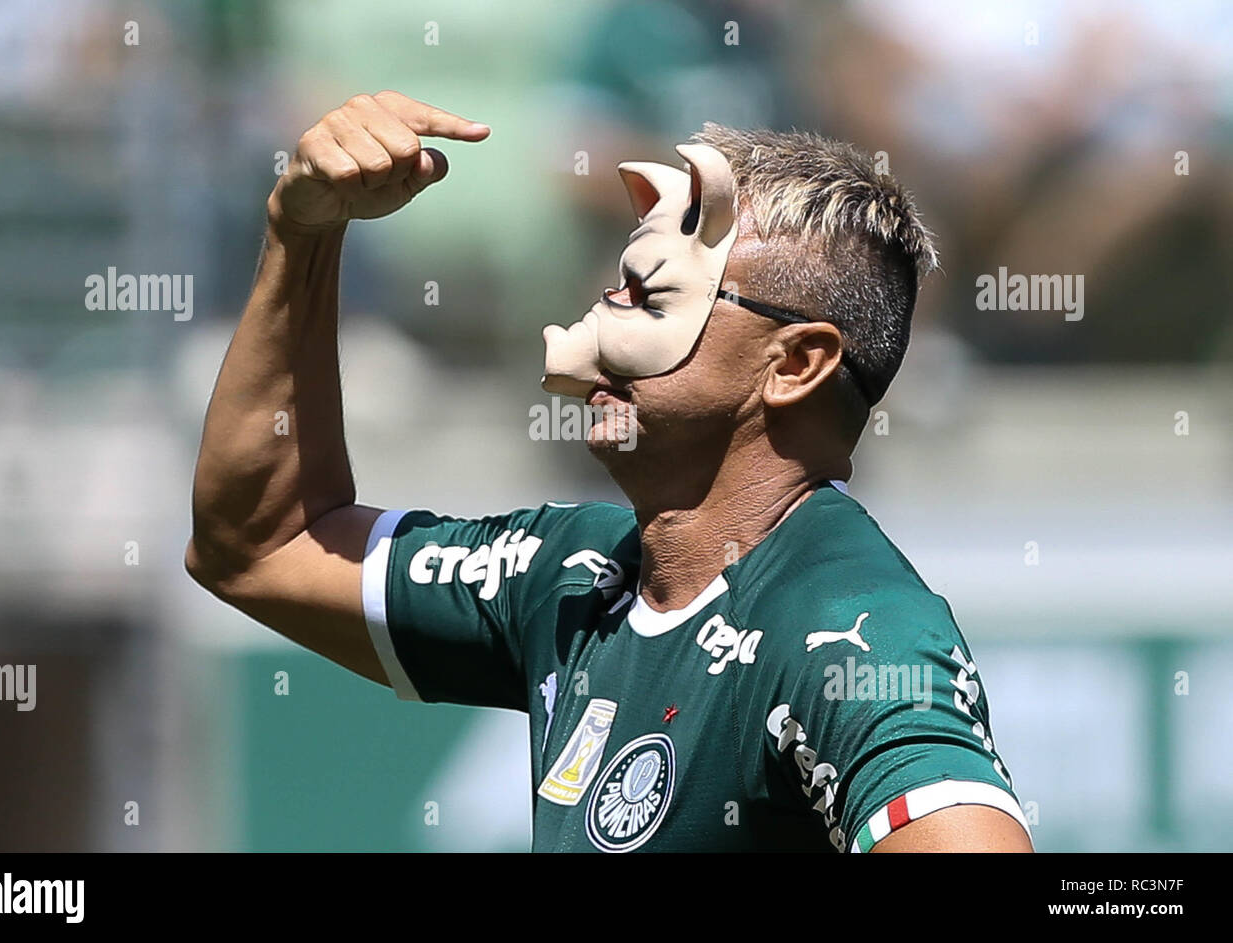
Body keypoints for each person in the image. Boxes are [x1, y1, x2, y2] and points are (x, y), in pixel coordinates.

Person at [186, 90, 1033, 853]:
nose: (598, 322)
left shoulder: (847, 625)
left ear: (796, 363)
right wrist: (302, 235)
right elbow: (260, 542)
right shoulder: (569, 573)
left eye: (651, 295)